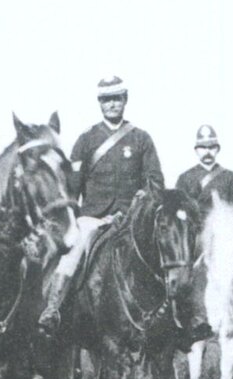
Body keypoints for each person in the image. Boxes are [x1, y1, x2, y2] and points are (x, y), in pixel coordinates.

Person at [38, 74, 164, 335]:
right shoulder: (87, 140)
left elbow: (155, 182)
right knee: (75, 249)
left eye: (116, 98)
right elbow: (72, 186)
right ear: (100, 103)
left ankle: (171, 317)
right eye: (106, 100)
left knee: (165, 253)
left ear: (125, 100)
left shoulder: (142, 139)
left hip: (131, 219)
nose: (112, 104)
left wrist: (142, 200)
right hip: (94, 217)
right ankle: (53, 308)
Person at [174, 124, 233, 239]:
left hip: (223, 238)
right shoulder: (184, 178)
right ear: (196, 150)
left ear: (217, 149)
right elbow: (176, 215)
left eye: (212, 147)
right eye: (203, 147)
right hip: (193, 239)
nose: (207, 151)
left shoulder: (230, 177)